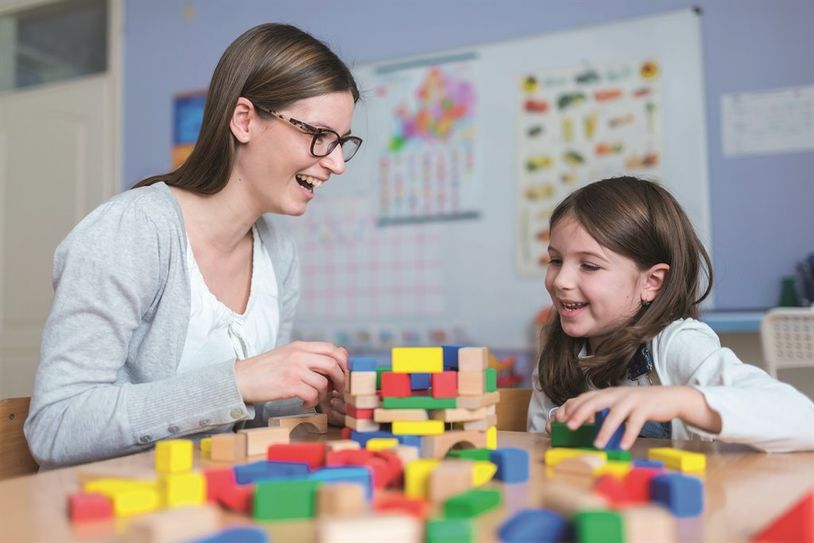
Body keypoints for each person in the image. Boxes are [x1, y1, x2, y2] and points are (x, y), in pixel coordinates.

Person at [24, 23, 362, 468]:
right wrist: (236, 381)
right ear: (244, 120)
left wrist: (315, 405)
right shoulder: (133, 230)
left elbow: (253, 421)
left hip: (208, 508)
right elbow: (56, 426)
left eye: (341, 143)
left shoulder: (278, 250)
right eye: (319, 136)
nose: (335, 163)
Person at [527, 176, 814, 453]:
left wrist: (680, 400)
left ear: (651, 282)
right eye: (556, 260)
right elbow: (537, 458)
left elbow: (804, 420)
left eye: (589, 265)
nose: (560, 280)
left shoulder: (676, 343)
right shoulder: (558, 355)